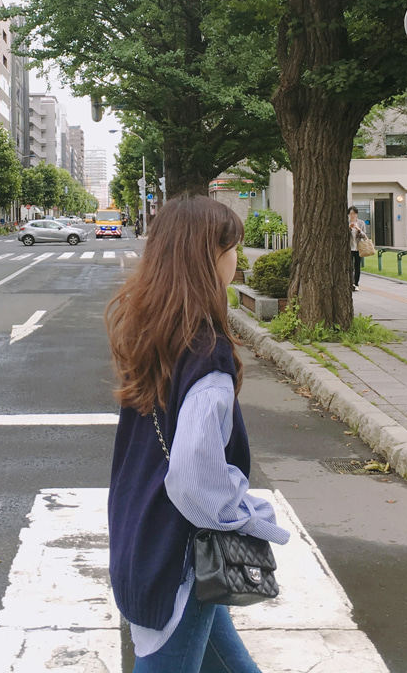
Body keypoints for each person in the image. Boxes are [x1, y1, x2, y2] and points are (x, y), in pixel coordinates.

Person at [107, 196, 290, 671]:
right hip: (181, 556)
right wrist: (248, 517)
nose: (237, 259)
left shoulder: (154, 334)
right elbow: (193, 478)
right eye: (232, 248)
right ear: (209, 258)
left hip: (142, 533)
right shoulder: (207, 354)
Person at [348, 205, 368, 292]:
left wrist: (358, 229)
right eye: (351, 214)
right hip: (349, 248)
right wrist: (349, 228)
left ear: (357, 214)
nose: (352, 215)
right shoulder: (347, 222)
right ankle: (350, 283)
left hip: (358, 248)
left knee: (357, 266)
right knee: (349, 266)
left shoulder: (361, 223)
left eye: (354, 213)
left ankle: (356, 284)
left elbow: (364, 236)